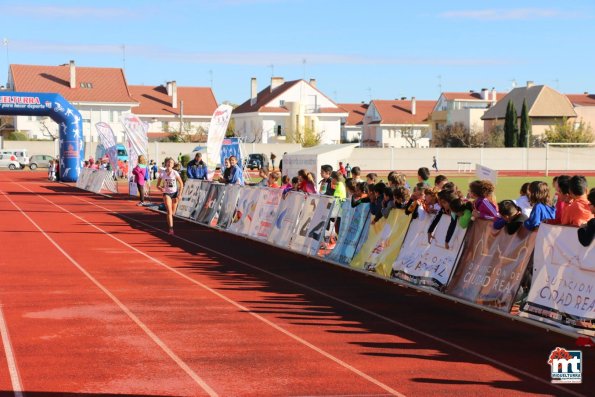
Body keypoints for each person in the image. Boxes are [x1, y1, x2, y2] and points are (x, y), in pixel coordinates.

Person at [156, 157, 184, 235]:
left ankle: (170, 223)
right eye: (168, 162)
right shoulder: (162, 173)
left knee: (173, 213)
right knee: (169, 211)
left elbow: (181, 184)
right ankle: (171, 228)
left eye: (171, 163)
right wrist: (160, 188)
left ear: (173, 165)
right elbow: (157, 185)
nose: (169, 164)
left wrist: (179, 194)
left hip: (174, 193)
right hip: (166, 193)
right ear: (166, 163)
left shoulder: (175, 173)